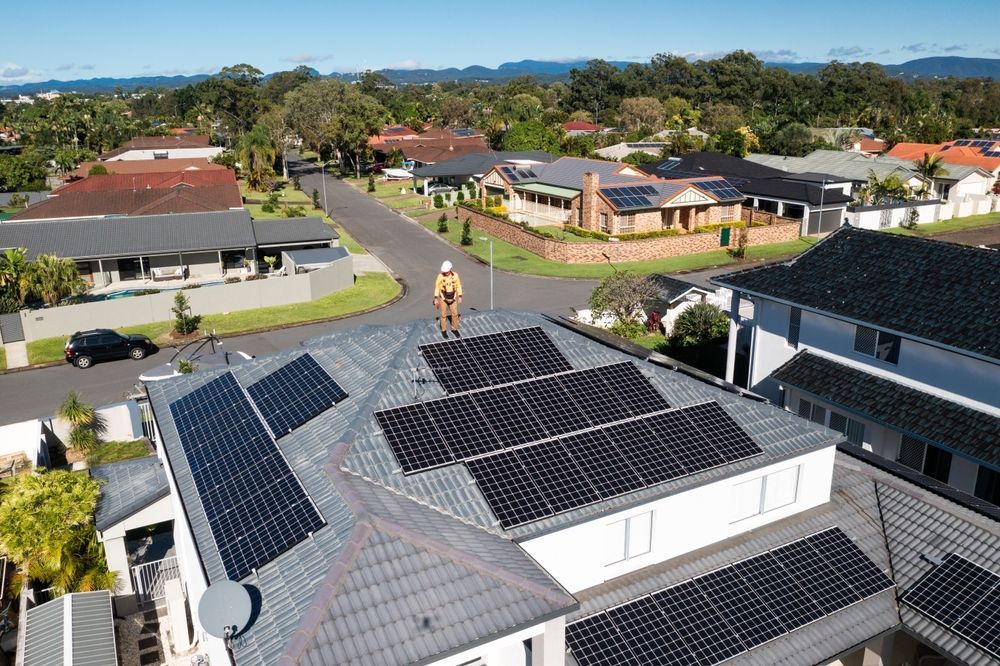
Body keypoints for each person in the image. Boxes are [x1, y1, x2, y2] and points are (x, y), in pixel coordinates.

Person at [433, 260, 463, 338]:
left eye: (447, 271)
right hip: (443, 298)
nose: (445, 272)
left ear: (450, 269)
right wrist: (436, 298)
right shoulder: (440, 276)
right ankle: (443, 330)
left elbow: (458, 285)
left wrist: (460, 296)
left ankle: (454, 329)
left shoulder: (455, 275)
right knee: (443, 315)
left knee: (455, 314)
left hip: (453, 298)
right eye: (444, 271)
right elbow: (437, 287)